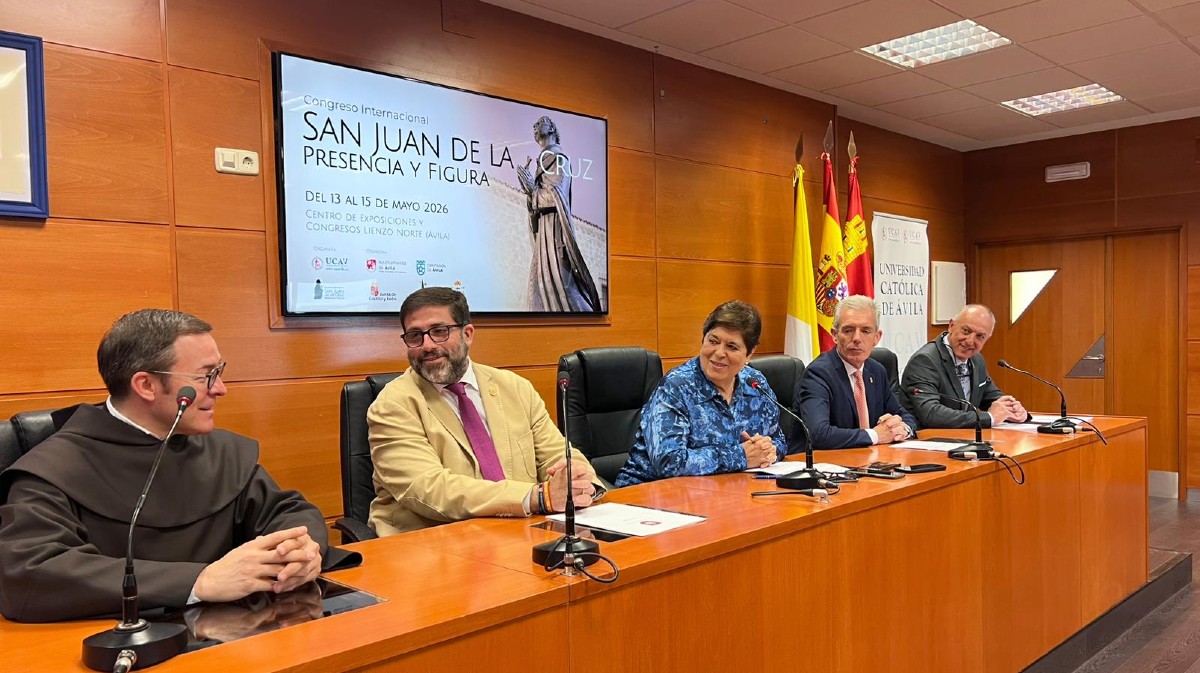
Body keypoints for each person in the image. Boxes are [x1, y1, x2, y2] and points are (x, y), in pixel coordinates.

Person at [0, 309, 356, 623]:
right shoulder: (51, 470)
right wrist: (199, 582)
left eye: (220, 372)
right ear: (146, 385)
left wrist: (300, 550)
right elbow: (31, 572)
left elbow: (287, 510)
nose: (221, 389)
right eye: (205, 377)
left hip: (236, 638)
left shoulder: (222, 452)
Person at [367, 287, 601, 536]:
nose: (427, 345)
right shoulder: (392, 405)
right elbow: (429, 490)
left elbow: (556, 455)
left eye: (439, 331)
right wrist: (537, 497)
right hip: (433, 544)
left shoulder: (515, 388)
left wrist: (578, 480)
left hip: (520, 533)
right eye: (415, 336)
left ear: (467, 334)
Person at [615, 301, 786, 487]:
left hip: (721, 492)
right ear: (703, 339)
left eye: (732, 347)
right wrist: (742, 456)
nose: (719, 353)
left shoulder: (755, 383)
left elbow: (779, 441)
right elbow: (668, 462)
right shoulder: (677, 386)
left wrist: (768, 451)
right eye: (713, 341)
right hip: (647, 493)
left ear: (750, 354)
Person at [796, 295, 916, 450]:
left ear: (876, 337)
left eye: (866, 331)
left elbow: (905, 415)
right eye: (848, 330)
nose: (857, 338)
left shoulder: (876, 370)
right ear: (835, 335)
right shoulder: (818, 374)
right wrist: (876, 435)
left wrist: (902, 429)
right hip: (829, 466)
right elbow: (819, 434)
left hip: (871, 461)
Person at [515, 115, 602, 313]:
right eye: (534, 124)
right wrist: (531, 193)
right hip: (544, 236)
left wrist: (532, 191)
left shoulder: (558, 159)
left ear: (552, 129)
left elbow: (557, 196)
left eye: (541, 122)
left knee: (564, 287)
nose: (535, 126)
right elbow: (540, 198)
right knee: (539, 286)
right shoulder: (543, 161)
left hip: (555, 235)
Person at [899, 304, 1031, 429]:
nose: (970, 341)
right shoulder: (925, 360)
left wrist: (1013, 410)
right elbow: (931, 414)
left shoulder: (976, 360)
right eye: (966, 331)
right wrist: (989, 417)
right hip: (928, 441)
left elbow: (991, 397)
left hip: (964, 437)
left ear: (987, 339)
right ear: (951, 326)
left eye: (980, 336)